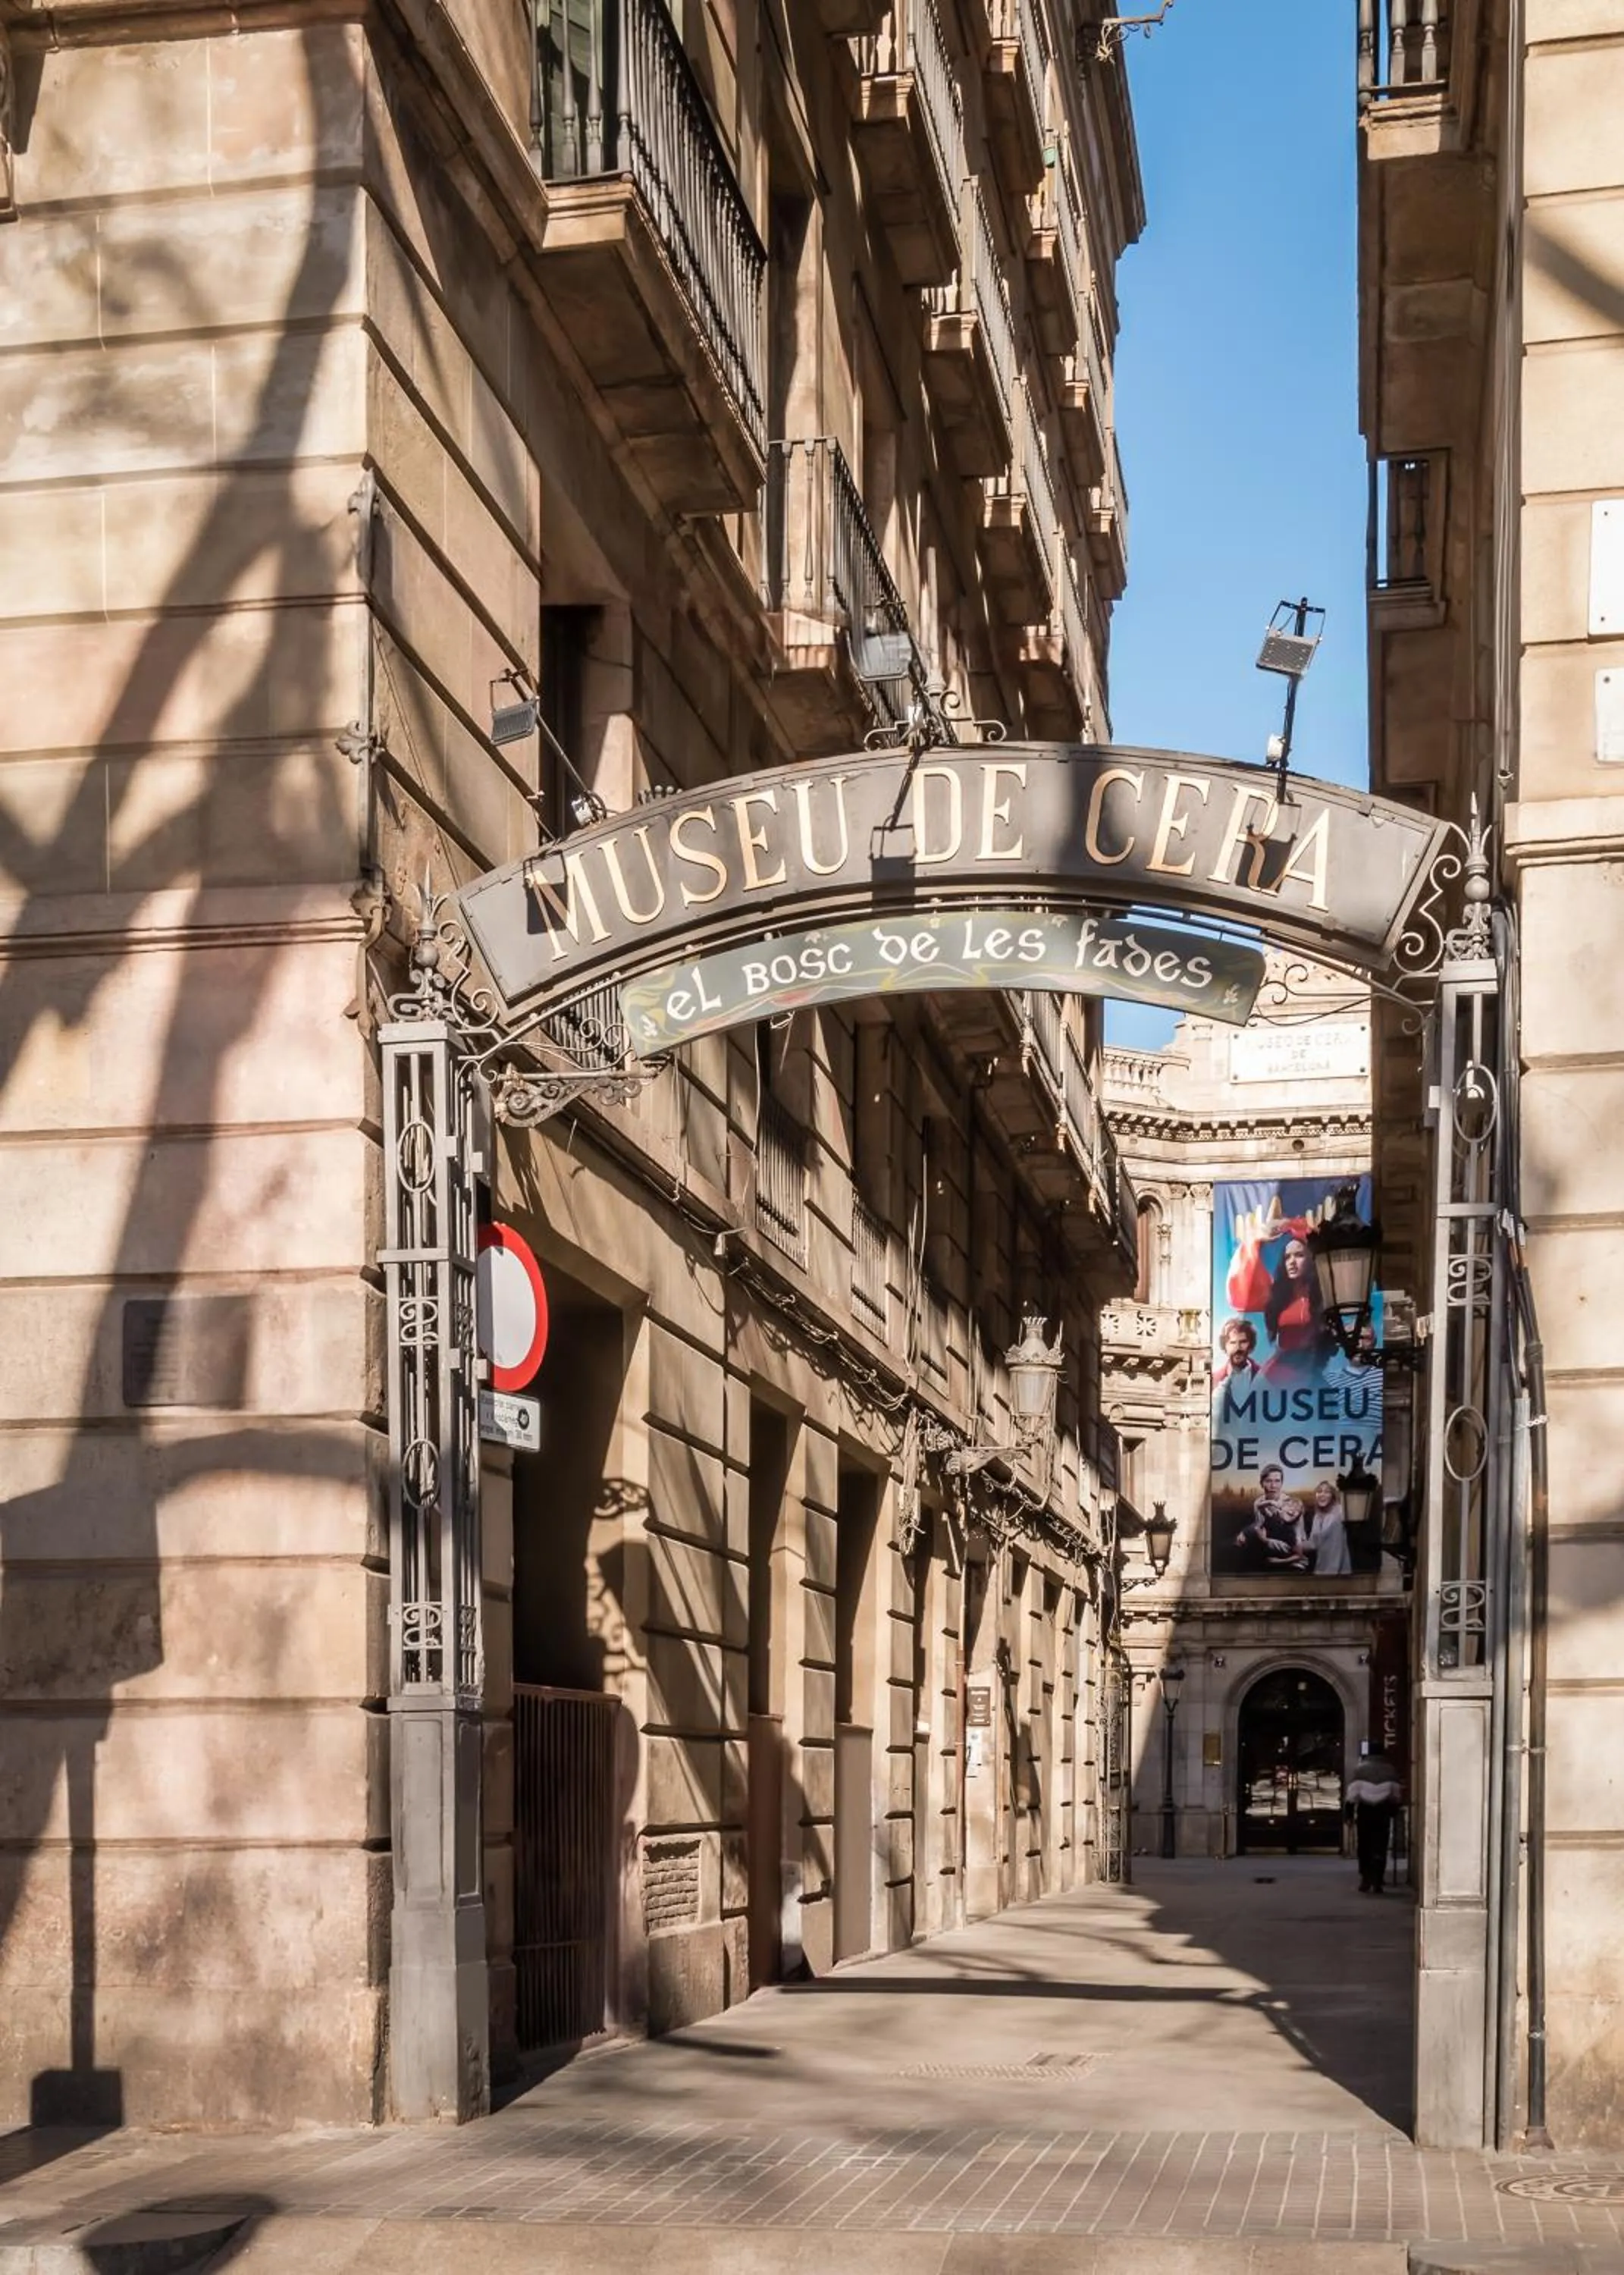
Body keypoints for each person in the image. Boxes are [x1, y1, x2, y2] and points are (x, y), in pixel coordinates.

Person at [1226, 1201, 1332, 1379]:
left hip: (1311, 1371)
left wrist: (1297, 1227)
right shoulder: (1278, 1296)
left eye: (1299, 1255)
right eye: (1287, 1257)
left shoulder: (1325, 1292)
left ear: (1310, 1259)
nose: (1291, 1262)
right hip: (1278, 1374)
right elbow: (1240, 1290)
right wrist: (1255, 1240)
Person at [1345, 1743, 1403, 1892]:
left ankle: (1365, 1878)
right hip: (1382, 1812)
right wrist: (1394, 1811)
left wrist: (1349, 1815)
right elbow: (1396, 1796)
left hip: (1365, 1812)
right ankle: (1378, 1878)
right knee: (1380, 1846)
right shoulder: (1390, 1770)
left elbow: (1352, 1796)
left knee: (1364, 1845)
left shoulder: (1360, 1770)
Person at [1234, 1466, 1306, 1571]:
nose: (1273, 1486)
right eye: (1268, 1481)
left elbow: (1298, 1539)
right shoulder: (1259, 1502)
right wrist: (1243, 1533)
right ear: (1262, 1483)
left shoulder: (1292, 1507)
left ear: (1282, 1483)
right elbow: (1260, 1524)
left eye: (1277, 1481)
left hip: (1288, 1546)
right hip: (1266, 1545)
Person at [1305, 1480, 1352, 1577]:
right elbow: (1314, 1543)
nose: (1322, 1495)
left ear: (1332, 1496)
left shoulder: (1340, 1511)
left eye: (1327, 1492)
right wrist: (1299, 1546)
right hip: (1321, 1570)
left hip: (1340, 1571)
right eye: (1319, 1492)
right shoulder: (1317, 1517)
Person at [1212, 1317, 1262, 1389]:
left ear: (1251, 1345)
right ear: (1225, 1346)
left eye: (1243, 1342)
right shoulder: (1214, 1380)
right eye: (1232, 1343)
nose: (1238, 1348)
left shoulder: (1264, 1377)